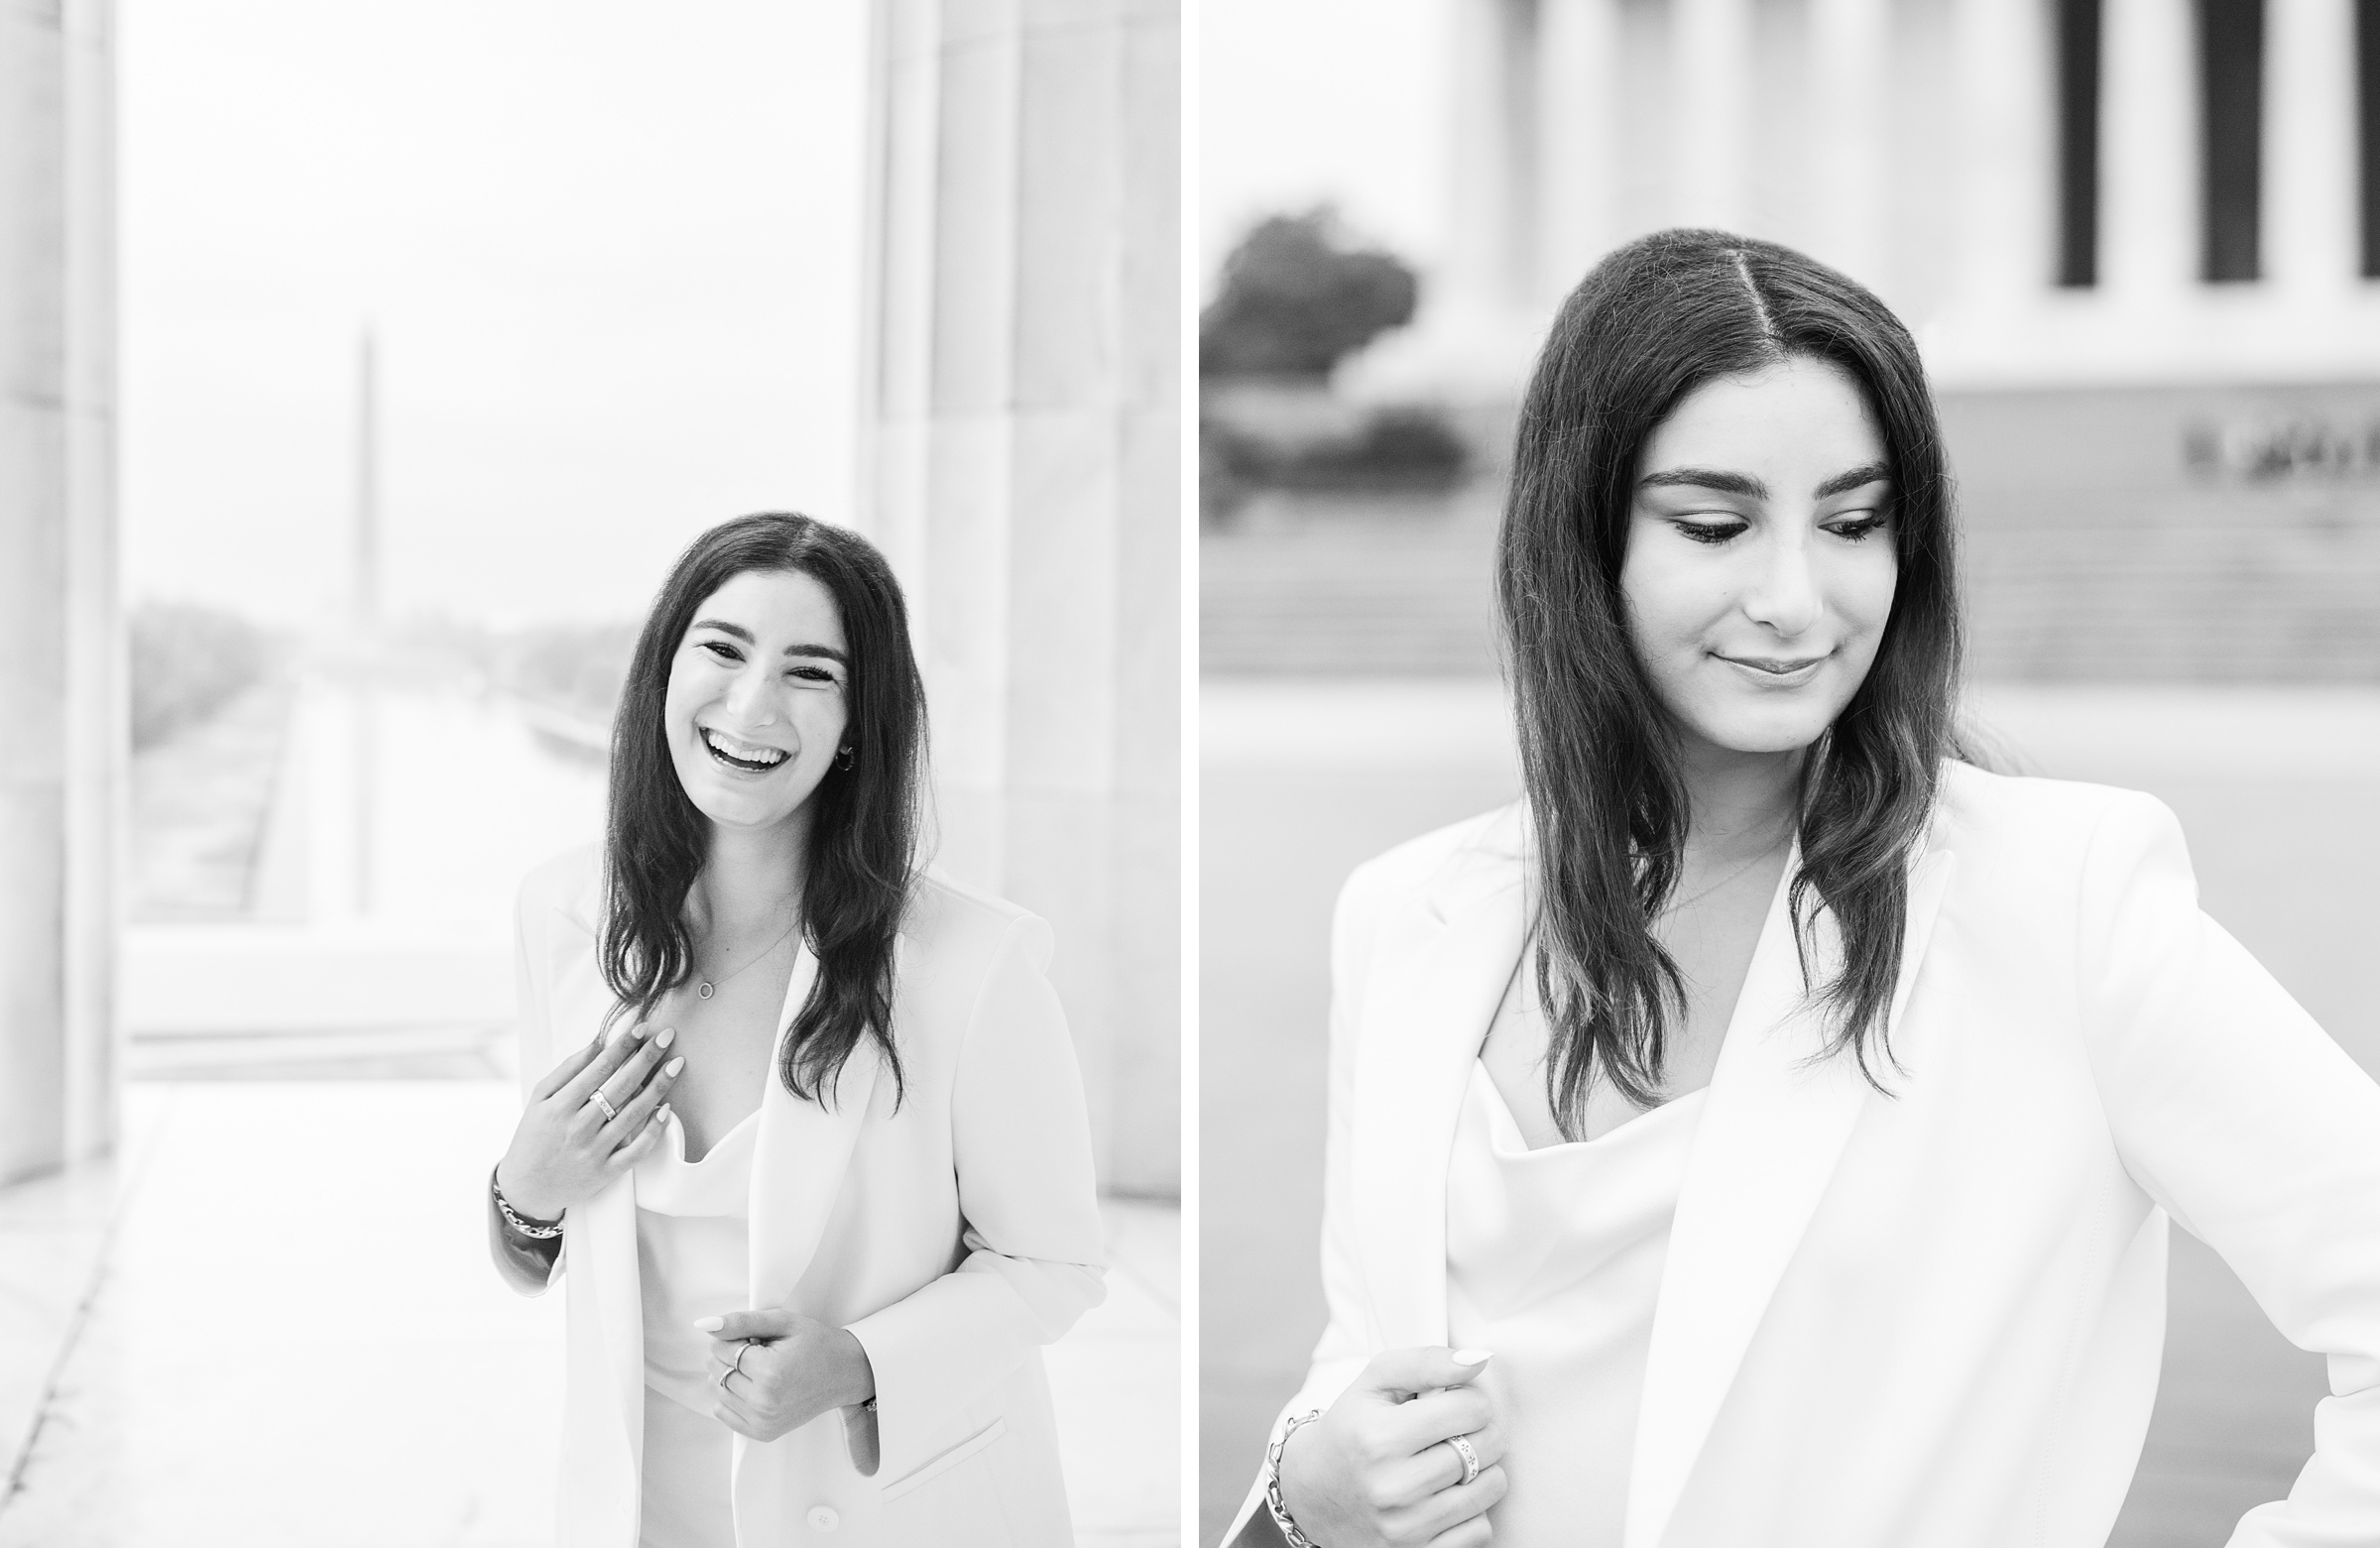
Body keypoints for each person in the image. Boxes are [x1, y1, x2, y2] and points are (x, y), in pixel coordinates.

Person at [1229, 230, 2380, 1548]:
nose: (1796, 598)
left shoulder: (2059, 902)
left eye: (1853, 522)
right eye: (1715, 525)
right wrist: (1301, 1489)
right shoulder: (1407, 914)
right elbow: (1370, 1368)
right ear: (1581, 535)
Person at [488, 511, 1107, 1548]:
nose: (751, 704)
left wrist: (860, 1363)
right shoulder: (562, 913)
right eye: (722, 650)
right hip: (640, 1507)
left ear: (857, 721)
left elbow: (1057, 1266)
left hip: (885, 1510)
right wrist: (523, 1191)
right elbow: (537, 1254)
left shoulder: (970, 963)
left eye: (809, 672)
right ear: (663, 671)